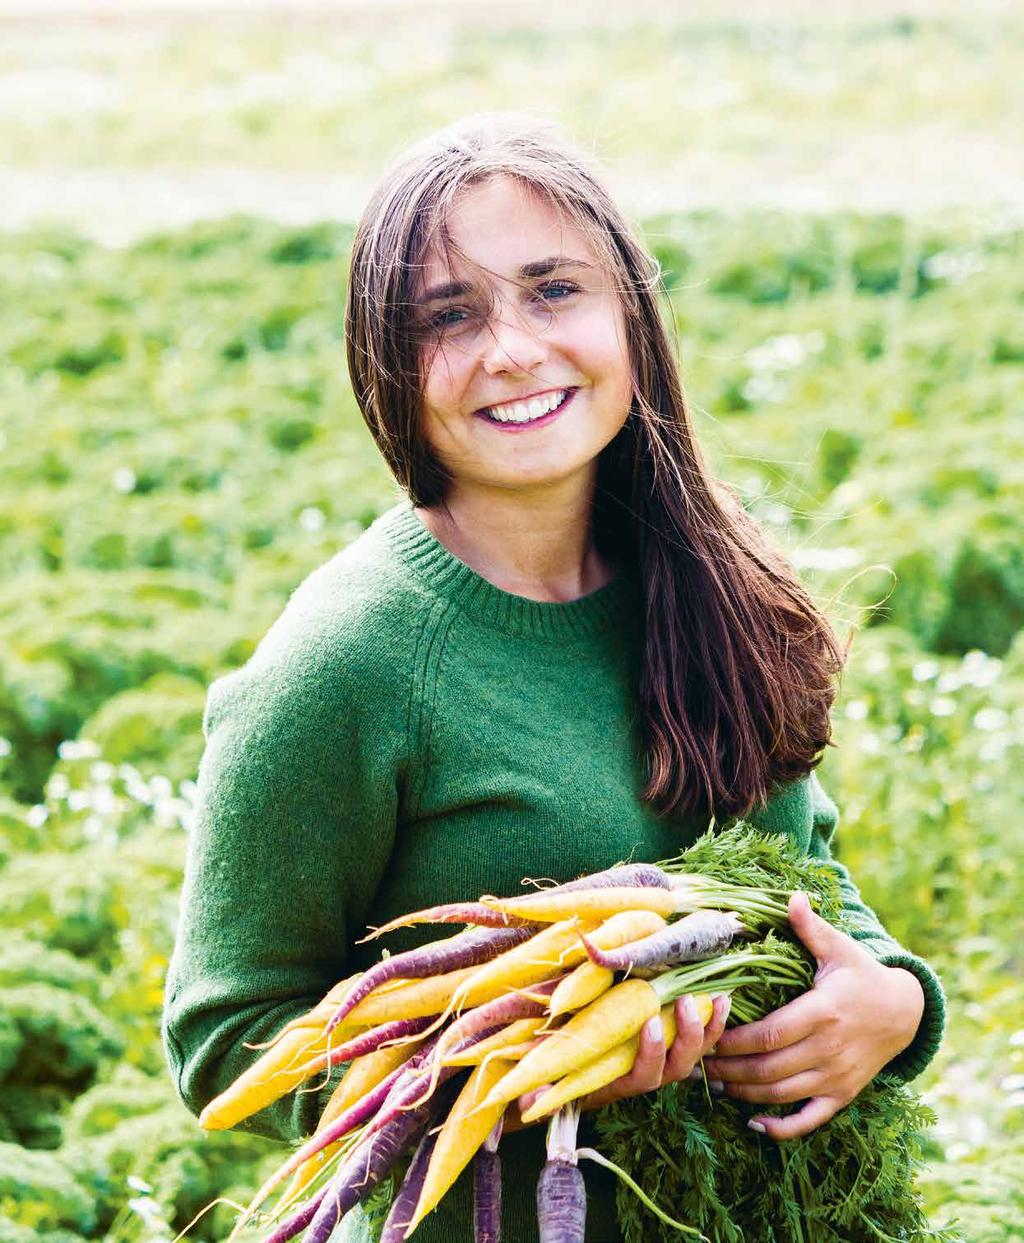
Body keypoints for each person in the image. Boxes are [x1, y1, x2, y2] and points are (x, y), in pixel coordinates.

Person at [162, 114, 945, 1243]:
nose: (512, 348)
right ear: (386, 357)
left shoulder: (707, 576)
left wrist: (892, 1001)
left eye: (553, 290)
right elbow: (223, 1034)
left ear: (630, 313)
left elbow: (805, 877)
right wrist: (525, 1061)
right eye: (449, 315)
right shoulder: (344, 664)